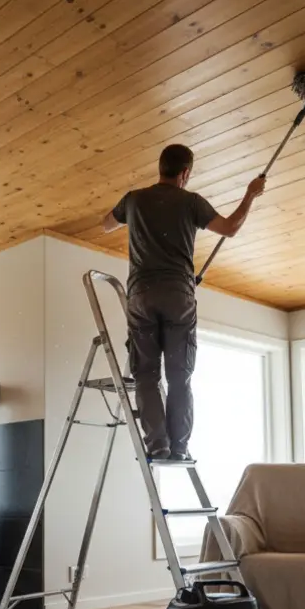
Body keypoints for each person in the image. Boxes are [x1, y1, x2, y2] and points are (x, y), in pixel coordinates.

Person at [101, 144, 265, 461]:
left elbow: (105, 223)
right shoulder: (191, 202)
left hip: (141, 296)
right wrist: (250, 194)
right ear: (185, 173)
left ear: (160, 167)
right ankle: (178, 447)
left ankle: (157, 445)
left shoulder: (134, 199)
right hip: (178, 296)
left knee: (146, 375)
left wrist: (130, 218)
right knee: (179, 378)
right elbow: (230, 228)